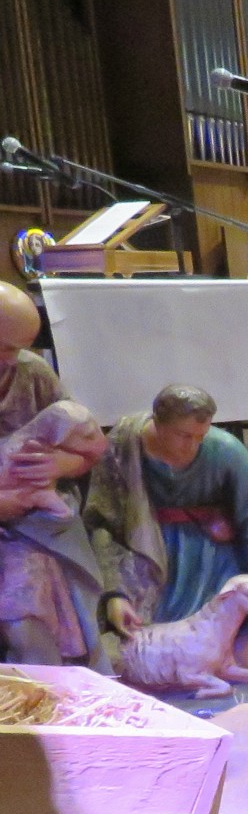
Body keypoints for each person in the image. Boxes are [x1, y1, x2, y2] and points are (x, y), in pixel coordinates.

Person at [87, 384, 248, 672]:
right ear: (158, 423)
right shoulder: (123, 448)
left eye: (200, 437)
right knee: (144, 657)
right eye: (184, 435)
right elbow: (100, 523)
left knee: (240, 656)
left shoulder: (225, 450)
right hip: (145, 558)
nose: (192, 446)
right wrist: (114, 593)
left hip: (211, 560)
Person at [0, 282, 104, 665]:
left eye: (21, 347)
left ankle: (50, 703)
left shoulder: (33, 372)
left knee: (30, 619)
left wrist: (64, 464)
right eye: (6, 347)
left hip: (32, 527)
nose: (14, 360)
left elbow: (87, 443)